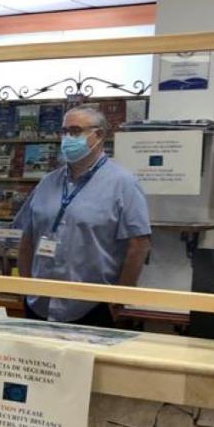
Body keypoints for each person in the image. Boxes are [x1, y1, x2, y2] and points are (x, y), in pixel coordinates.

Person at [15, 106, 152, 326]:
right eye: (64, 131)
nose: (68, 138)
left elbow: (139, 245)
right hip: (39, 304)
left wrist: (119, 299)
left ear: (99, 135)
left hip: (91, 307)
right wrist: (25, 288)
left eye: (76, 131)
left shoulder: (123, 184)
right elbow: (27, 240)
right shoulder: (47, 182)